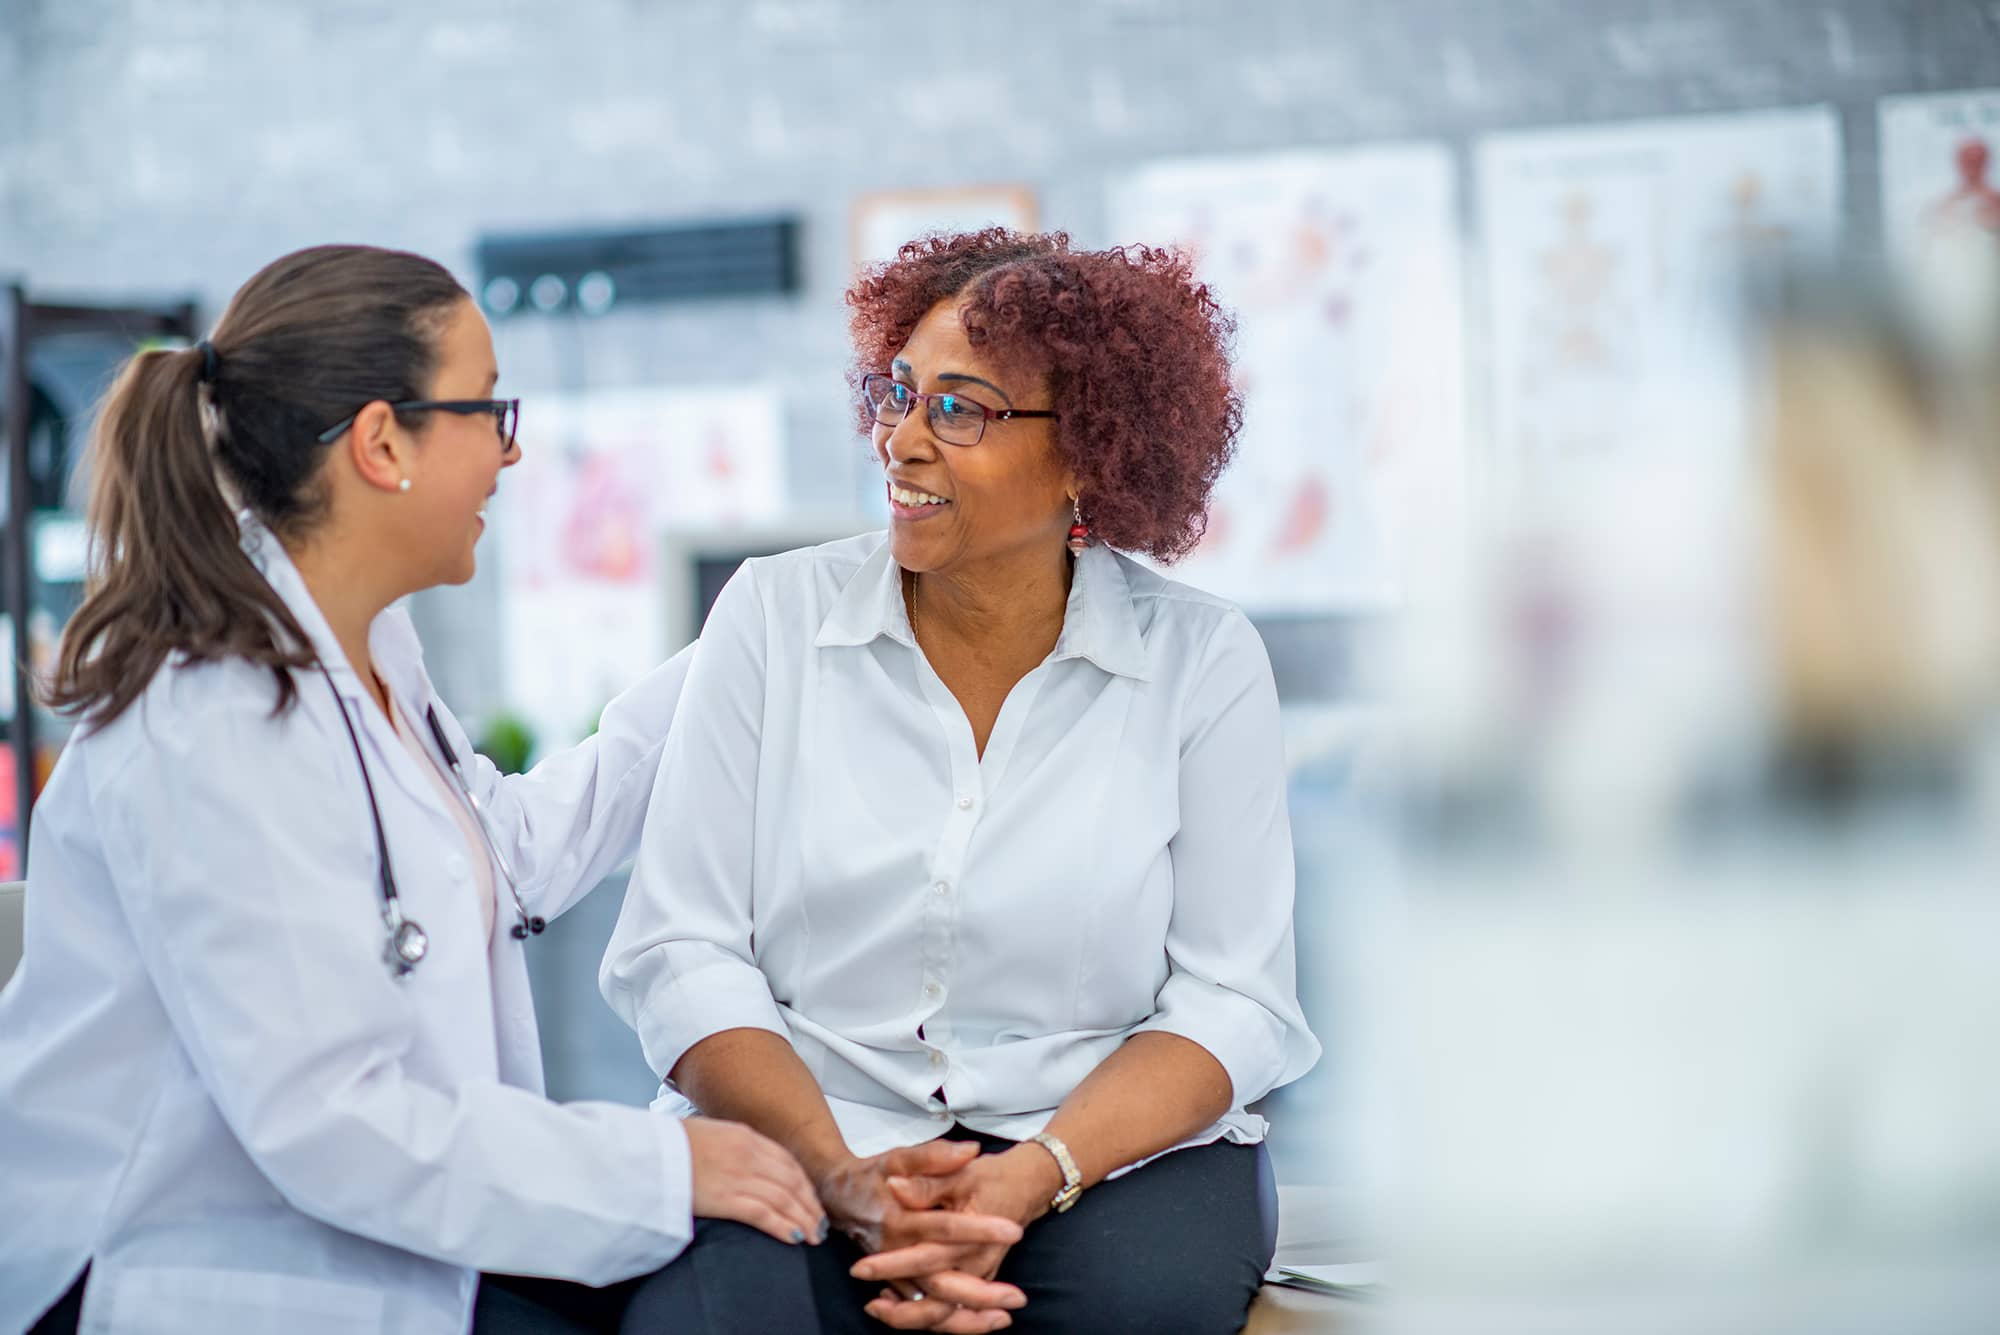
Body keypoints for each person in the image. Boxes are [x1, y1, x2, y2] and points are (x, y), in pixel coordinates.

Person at [0, 244, 1018, 1335]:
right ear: (383, 442)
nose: (512, 450)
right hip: (191, 1266)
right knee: (736, 1259)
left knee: (744, 1265)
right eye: (488, 409)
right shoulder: (214, 721)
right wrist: (658, 1164)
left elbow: (500, 854)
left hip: (372, 1225)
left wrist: (760, 634)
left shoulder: (367, 648)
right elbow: (332, 1124)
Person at [602, 229, 1321, 1334]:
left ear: (1090, 452)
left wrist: (1027, 1178)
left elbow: (1233, 998)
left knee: (1139, 1309)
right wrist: (843, 1178)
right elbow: (681, 949)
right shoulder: (770, 616)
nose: (899, 440)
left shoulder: (1199, 660)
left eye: (960, 409)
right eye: (899, 394)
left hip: (1096, 1150)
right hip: (807, 1126)